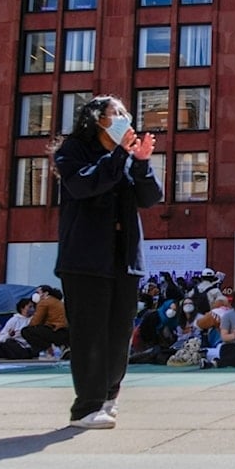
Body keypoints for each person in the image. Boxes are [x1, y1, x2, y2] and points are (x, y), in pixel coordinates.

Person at [49, 95, 162, 429]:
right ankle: (85, 407)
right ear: (97, 119)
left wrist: (140, 162)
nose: (124, 118)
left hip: (123, 258)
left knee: (119, 331)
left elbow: (150, 197)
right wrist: (119, 155)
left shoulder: (125, 157)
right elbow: (84, 184)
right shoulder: (72, 150)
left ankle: (109, 396)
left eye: (126, 113)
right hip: (85, 259)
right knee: (90, 333)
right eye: (116, 113)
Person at [21, 284, 70, 359]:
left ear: (46, 293)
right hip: (65, 331)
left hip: (56, 331)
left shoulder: (44, 302)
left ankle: (49, 350)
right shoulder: (57, 301)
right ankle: (61, 346)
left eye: (38, 292)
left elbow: (35, 321)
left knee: (26, 331)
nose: (36, 295)